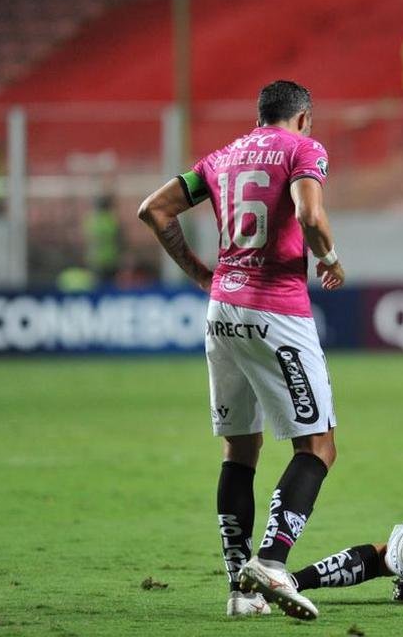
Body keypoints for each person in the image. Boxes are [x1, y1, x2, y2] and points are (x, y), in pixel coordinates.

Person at [137, 80, 346, 621]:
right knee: (318, 446)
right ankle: (271, 563)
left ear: (260, 116)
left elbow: (154, 210)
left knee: (240, 450)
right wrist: (329, 258)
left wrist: (201, 275)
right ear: (304, 117)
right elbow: (310, 215)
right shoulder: (303, 149)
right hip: (276, 312)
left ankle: (240, 590)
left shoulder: (221, 157)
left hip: (222, 312)